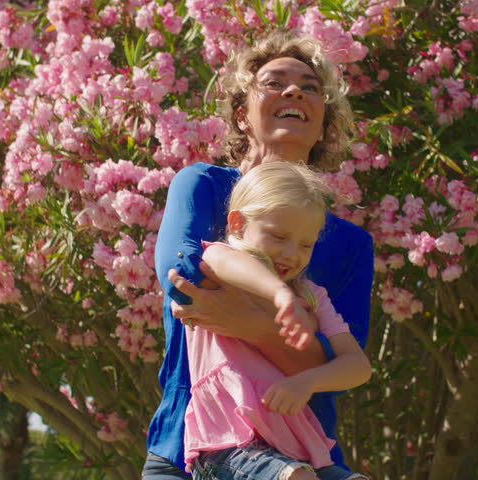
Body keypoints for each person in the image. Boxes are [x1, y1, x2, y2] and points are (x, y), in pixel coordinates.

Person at [143, 32, 374, 479]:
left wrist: (252, 324)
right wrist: (296, 331)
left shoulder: (349, 244)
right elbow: (186, 282)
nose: (294, 92)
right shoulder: (203, 187)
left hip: (307, 455)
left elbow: (340, 366)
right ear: (241, 115)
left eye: (310, 87)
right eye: (274, 82)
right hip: (191, 455)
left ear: (324, 121)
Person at [184, 162, 371, 479]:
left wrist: (307, 381)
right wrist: (277, 293)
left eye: (305, 244)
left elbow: (358, 366)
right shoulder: (219, 268)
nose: (291, 253)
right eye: (278, 236)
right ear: (238, 225)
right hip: (226, 448)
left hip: (292, 451)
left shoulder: (313, 297)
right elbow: (219, 259)